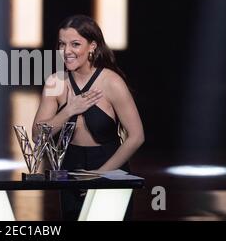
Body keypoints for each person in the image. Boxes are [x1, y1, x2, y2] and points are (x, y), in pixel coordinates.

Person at [32, 15, 144, 220]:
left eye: (75, 44)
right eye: (62, 44)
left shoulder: (111, 82)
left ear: (92, 46)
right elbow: (37, 136)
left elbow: (136, 136)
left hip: (110, 166)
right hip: (71, 169)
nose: (67, 51)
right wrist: (68, 110)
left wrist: (100, 175)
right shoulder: (55, 82)